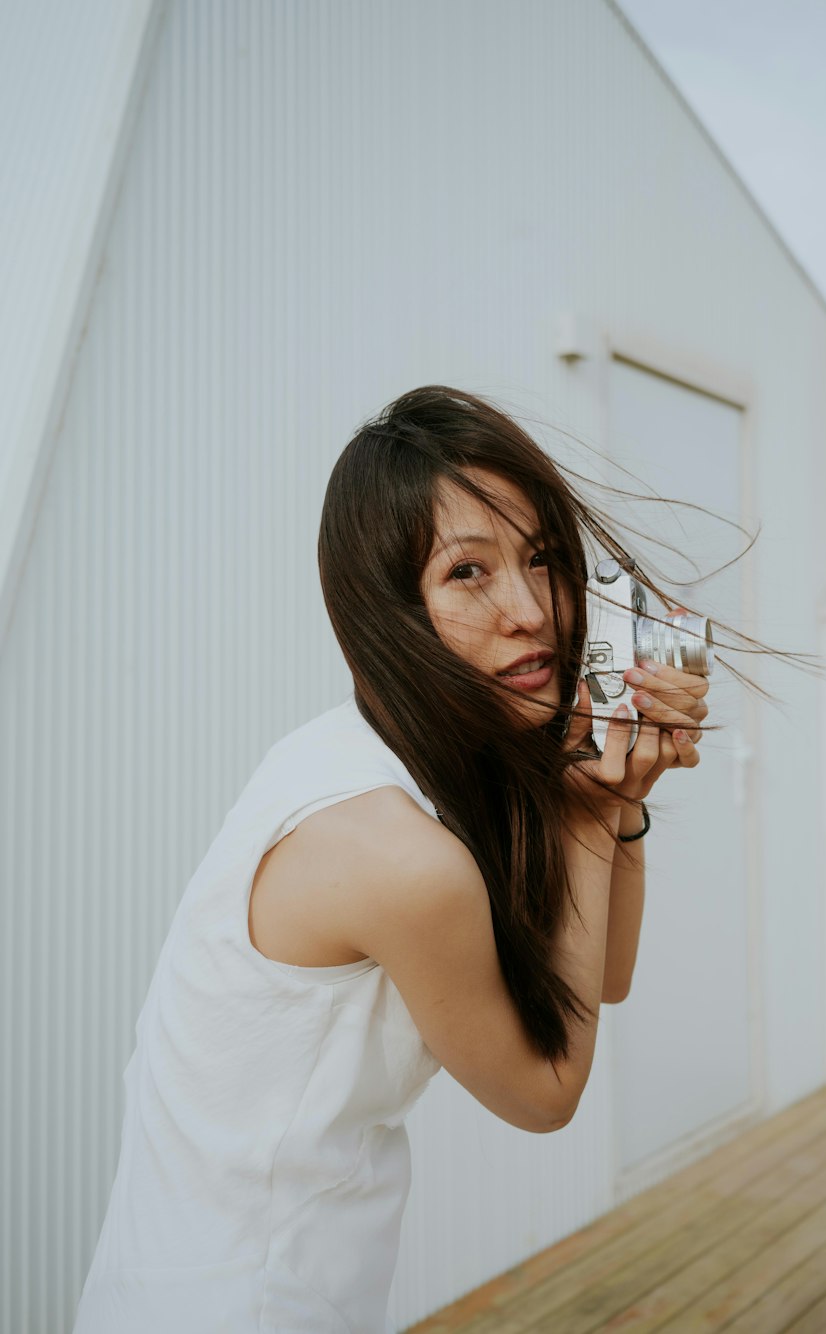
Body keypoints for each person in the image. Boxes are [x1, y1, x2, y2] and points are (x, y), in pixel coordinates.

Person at [72, 385, 711, 1334]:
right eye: (467, 573)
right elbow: (545, 1093)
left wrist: (609, 794)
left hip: (211, 1278)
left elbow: (600, 976)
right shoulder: (395, 853)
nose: (530, 609)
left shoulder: (380, 748)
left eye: (542, 560)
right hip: (242, 1304)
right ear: (387, 608)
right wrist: (592, 809)